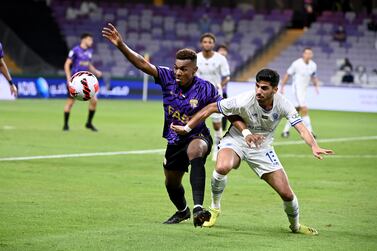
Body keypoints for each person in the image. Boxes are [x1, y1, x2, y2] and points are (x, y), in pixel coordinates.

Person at [171, 68, 334, 235]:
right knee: (222, 167)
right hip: (236, 140)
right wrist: (186, 127)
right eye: (257, 86)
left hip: (262, 148)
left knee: (287, 193)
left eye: (264, 88)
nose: (258, 91)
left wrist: (313, 146)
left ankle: (296, 226)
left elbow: (301, 128)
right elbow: (211, 107)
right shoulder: (244, 99)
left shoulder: (283, 104)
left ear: (275, 90)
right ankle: (214, 208)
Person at [102, 23, 222, 227]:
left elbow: (223, 107)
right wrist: (121, 45)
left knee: (197, 150)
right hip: (174, 140)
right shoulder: (167, 78)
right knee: (171, 183)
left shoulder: (206, 88)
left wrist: (241, 131)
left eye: (183, 69)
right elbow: (142, 63)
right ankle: (183, 211)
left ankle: (198, 208)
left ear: (194, 69)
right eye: (176, 67)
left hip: (197, 135)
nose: (178, 72)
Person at [197, 33, 230, 161]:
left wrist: (220, 86)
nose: (207, 44)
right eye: (205, 42)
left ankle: (217, 147)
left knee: (217, 124)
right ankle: (198, 148)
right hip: (199, 95)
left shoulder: (220, 59)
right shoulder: (196, 57)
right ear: (201, 43)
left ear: (213, 44)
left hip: (215, 95)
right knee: (197, 122)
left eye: (210, 42)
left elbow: (226, 76)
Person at [63, 33, 102, 131]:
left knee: (94, 101)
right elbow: (67, 64)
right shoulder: (75, 50)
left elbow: (88, 64)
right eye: (90, 40)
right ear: (84, 39)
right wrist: (68, 78)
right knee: (70, 103)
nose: (91, 42)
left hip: (85, 81)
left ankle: (89, 123)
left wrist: (96, 71)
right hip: (75, 81)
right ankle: (65, 125)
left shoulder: (89, 51)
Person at [280, 47, 319, 138]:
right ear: (303, 54)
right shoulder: (296, 64)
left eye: (310, 53)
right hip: (297, 90)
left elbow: (313, 76)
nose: (308, 55)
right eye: (307, 53)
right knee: (304, 109)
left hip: (304, 90)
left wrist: (316, 86)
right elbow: (288, 74)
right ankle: (310, 132)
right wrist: (282, 86)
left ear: (312, 55)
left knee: (294, 112)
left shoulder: (313, 65)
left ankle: (285, 131)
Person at [217, 44, 230, 131]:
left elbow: (227, 78)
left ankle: (224, 129)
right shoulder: (214, 62)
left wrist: (220, 86)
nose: (222, 52)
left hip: (222, 91)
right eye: (221, 50)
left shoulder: (225, 63)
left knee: (225, 111)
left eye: (224, 50)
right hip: (210, 92)